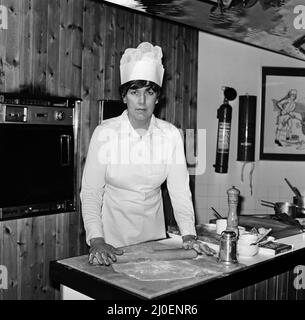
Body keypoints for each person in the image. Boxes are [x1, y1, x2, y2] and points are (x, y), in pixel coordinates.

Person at [80, 42, 215, 266]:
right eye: (134, 92)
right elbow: (92, 192)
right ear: (124, 97)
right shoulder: (105, 133)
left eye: (149, 92)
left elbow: (180, 191)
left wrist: (189, 234)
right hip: (112, 244)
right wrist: (96, 238)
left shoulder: (170, 134)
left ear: (157, 97)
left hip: (155, 242)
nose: (142, 101)